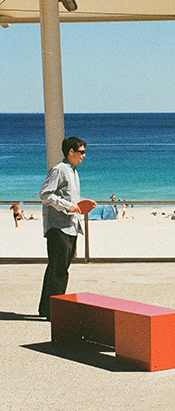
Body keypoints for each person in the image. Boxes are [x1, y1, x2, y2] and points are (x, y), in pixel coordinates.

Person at [37, 137, 96, 319]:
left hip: (69, 226)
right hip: (58, 227)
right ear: (71, 152)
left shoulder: (73, 171)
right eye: (81, 152)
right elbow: (45, 194)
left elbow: (69, 199)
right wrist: (66, 205)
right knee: (58, 269)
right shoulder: (59, 170)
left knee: (61, 268)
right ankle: (52, 310)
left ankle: (48, 308)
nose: (84, 156)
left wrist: (82, 204)